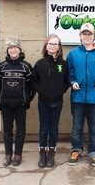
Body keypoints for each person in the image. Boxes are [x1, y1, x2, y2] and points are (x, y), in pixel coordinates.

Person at [66, 22, 95, 167]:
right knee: (77, 127)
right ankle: (76, 149)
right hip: (78, 97)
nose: (87, 36)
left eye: (89, 34)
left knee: (94, 128)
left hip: (94, 97)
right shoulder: (73, 54)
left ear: (94, 36)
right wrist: (72, 82)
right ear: (80, 36)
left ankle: (93, 152)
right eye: (84, 34)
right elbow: (69, 72)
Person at [32, 34, 69, 168]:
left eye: (55, 44)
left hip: (57, 102)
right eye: (50, 44)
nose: (53, 46)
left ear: (59, 47)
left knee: (53, 128)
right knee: (44, 128)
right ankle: (42, 152)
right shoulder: (40, 63)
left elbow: (66, 81)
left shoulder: (63, 64)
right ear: (46, 46)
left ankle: (52, 152)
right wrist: (40, 90)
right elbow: (33, 81)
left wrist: (61, 90)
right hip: (43, 101)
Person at [0, 36, 34, 166]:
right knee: (7, 130)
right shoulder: (1, 67)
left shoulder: (26, 67)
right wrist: (0, 100)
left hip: (20, 105)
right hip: (6, 105)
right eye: (10, 48)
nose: (13, 50)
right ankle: (8, 154)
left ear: (20, 49)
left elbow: (31, 86)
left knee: (20, 130)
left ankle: (18, 154)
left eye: (15, 48)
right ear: (7, 50)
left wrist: (26, 100)